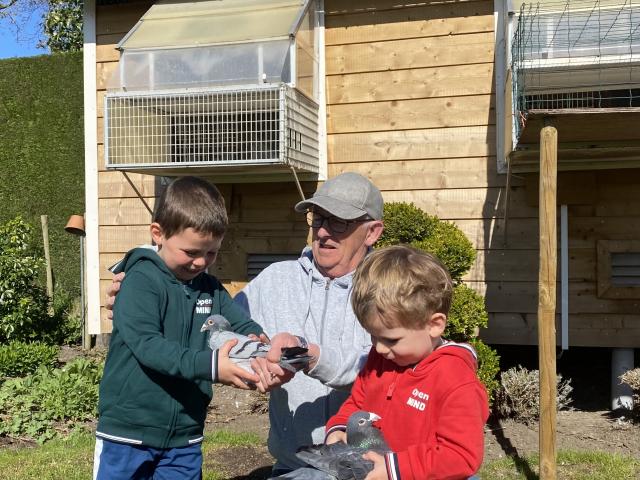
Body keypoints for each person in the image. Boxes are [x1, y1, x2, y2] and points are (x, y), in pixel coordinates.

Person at [106, 172, 386, 475]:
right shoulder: (276, 280)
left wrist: (311, 357)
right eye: (317, 218)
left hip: (371, 468)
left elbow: (386, 370)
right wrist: (151, 299)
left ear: (372, 232)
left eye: (338, 222)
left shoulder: (390, 291)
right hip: (293, 465)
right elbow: (213, 327)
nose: (322, 231)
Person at [94, 176, 266, 480]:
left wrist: (262, 346)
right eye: (191, 252)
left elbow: (242, 323)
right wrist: (211, 366)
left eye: (211, 252)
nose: (201, 262)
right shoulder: (140, 281)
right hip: (128, 431)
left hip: (185, 433)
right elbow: (149, 346)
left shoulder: (210, 289)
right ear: (158, 234)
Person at [323, 245, 489, 480]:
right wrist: (340, 429)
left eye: (391, 339)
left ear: (434, 325)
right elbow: (357, 404)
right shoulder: (381, 358)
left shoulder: (455, 380)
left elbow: (461, 456)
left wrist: (394, 469)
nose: (379, 348)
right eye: (373, 336)